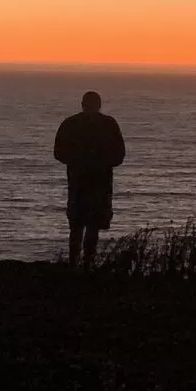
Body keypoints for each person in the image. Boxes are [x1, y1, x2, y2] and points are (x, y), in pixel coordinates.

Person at [54, 91, 126, 268]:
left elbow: (58, 153)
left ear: (82, 104)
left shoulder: (70, 124)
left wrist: (77, 161)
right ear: (99, 105)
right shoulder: (109, 124)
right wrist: (101, 163)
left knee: (76, 224)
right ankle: (87, 264)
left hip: (78, 181)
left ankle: (74, 263)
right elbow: (119, 155)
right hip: (99, 183)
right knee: (93, 225)